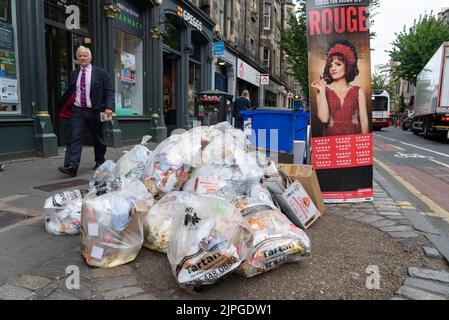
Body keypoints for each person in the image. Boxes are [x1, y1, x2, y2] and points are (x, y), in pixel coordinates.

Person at [58, 46, 114, 177]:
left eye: (85, 55)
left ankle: (100, 161)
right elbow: (70, 92)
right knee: (75, 137)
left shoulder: (101, 73)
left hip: (95, 110)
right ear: (77, 58)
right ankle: (72, 166)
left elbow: (109, 91)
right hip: (77, 110)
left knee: (98, 137)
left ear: (90, 57)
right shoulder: (73, 74)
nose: (82, 58)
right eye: (80, 56)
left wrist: (109, 107)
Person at [311, 40, 369, 136]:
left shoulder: (358, 91)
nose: (332, 68)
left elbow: (364, 122)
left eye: (338, 64)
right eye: (330, 65)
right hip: (331, 143)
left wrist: (364, 145)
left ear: (348, 66)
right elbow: (324, 119)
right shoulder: (322, 90)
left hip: (353, 141)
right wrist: (322, 90)